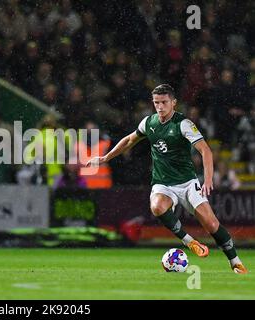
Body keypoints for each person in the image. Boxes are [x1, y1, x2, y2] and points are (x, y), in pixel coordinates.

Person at [87, 84, 248, 274]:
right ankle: (189, 241)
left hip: (188, 183)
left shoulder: (183, 124)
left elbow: (205, 150)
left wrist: (208, 178)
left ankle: (235, 262)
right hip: (163, 183)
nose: (160, 107)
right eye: (156, 103)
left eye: (164, 102)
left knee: (211, 224)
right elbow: (130, 140)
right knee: (156, 206)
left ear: (174, 103)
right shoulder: (149, 123)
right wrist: (106, 158)